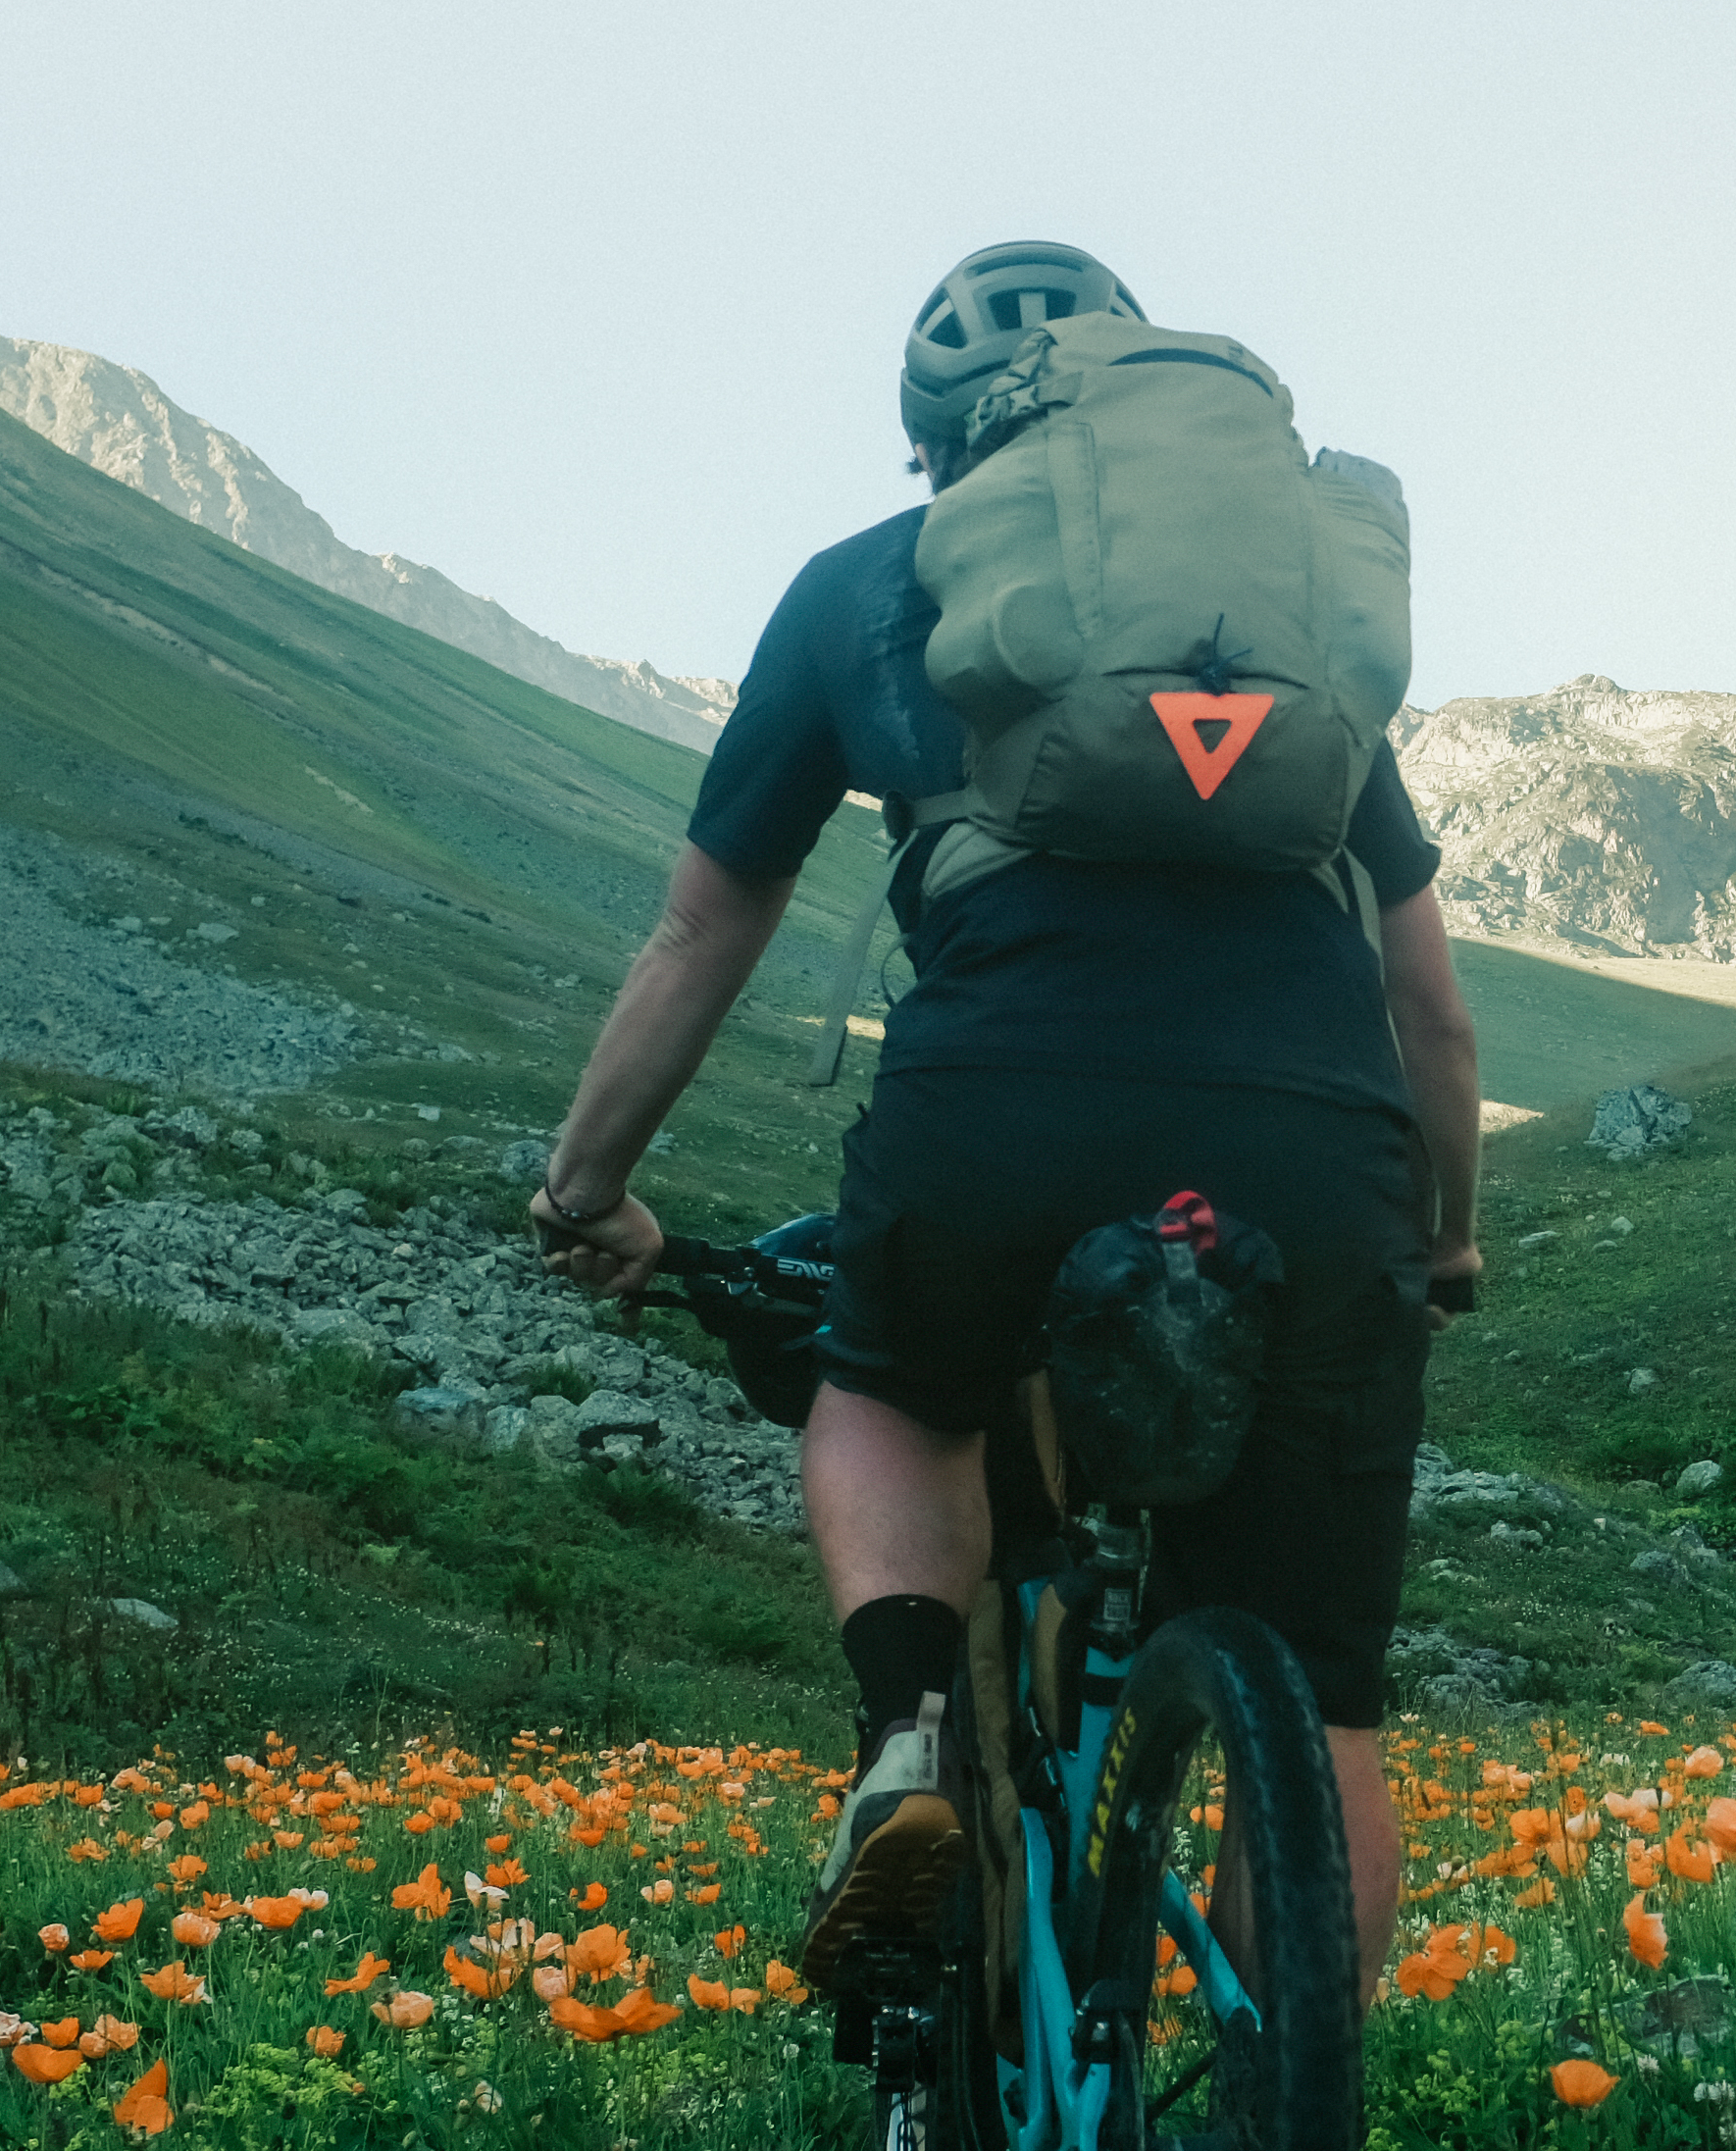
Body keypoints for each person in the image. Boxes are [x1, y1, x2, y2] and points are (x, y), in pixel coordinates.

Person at [522, 240, 1486, 2013]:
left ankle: (905, 1747)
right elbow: (1432, 1004)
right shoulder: (1266, 647)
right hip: (1316, 1135)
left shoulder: (863, 590)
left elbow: (702, 926)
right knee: (1329, 1717)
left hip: (997, 1107)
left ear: (937, 447)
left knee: (890, 1394)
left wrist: (589, 1185)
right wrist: (1442, 1237)